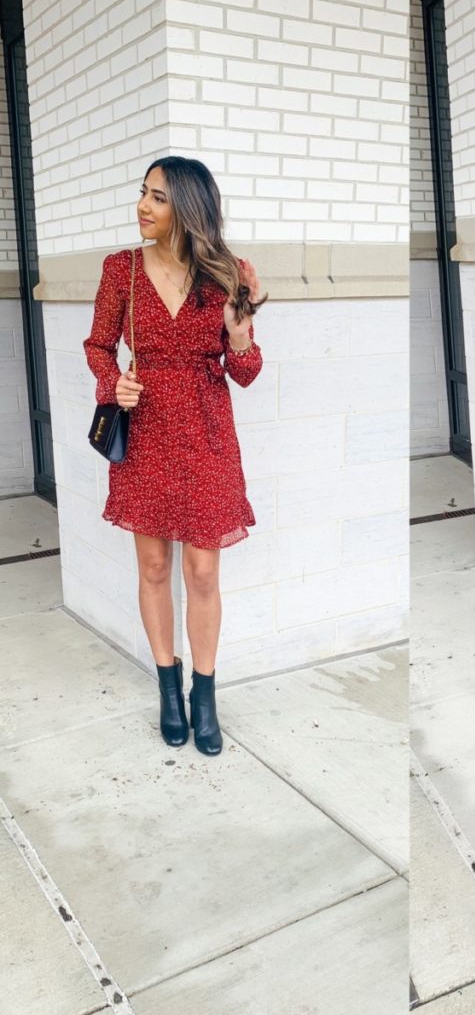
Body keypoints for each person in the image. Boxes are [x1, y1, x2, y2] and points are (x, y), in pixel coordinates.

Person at [84, 156, 267, 756]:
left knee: (204, 572)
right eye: (143, 193)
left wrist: (240, 332)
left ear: (186, 208)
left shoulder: (227, 275)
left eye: (157, 197)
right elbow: (97, 345)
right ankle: (168, 687)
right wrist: (114, 383)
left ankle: (204, 694)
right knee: (155, 567)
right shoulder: (122, 270)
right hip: (146, 432)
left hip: (208, 432)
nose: (142, 205)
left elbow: (244, 372)